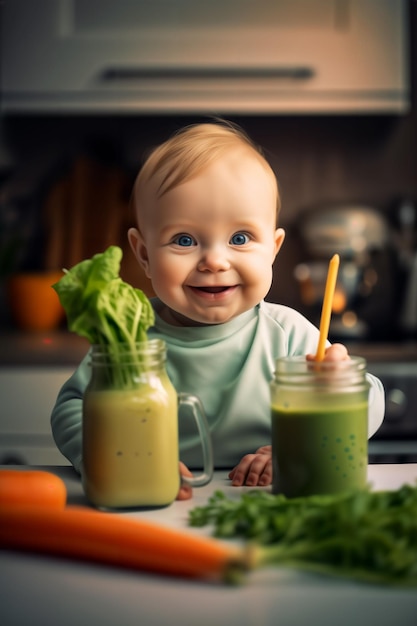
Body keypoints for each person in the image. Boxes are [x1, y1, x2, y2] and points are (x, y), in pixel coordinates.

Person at [51, 120, 385, 500]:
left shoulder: (289, 334)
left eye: (239, 238)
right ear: (143, 254)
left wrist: (335, 394)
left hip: (264, 504)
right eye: (184, 239)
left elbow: (371, 404)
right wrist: (106, 457)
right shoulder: (127, 336)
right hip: (154, 500)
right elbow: (71, 410)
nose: (213, 261)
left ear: (273, 249)